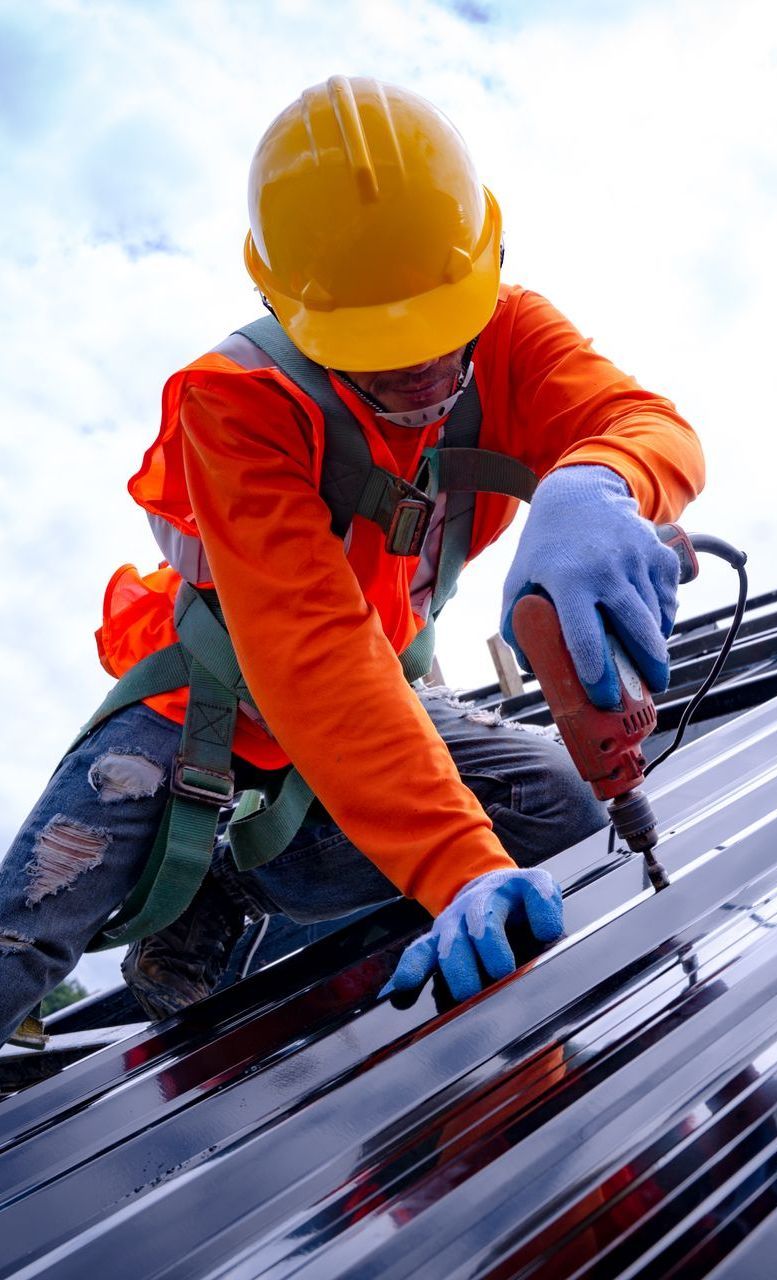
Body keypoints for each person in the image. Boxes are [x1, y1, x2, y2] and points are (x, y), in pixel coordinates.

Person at [0, 75, 703, 1041]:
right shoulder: (238, 402)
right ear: (286, 307)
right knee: (23, 936)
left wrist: (601, 484)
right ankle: (203, 884)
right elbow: (314, 652)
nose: (419, 369)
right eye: (380, 350)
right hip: (206, 709)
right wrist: (460, 864)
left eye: (438, 335)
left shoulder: (511, 336)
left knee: (564, 811)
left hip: (378, 712)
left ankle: (243, 887)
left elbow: (641, 423)